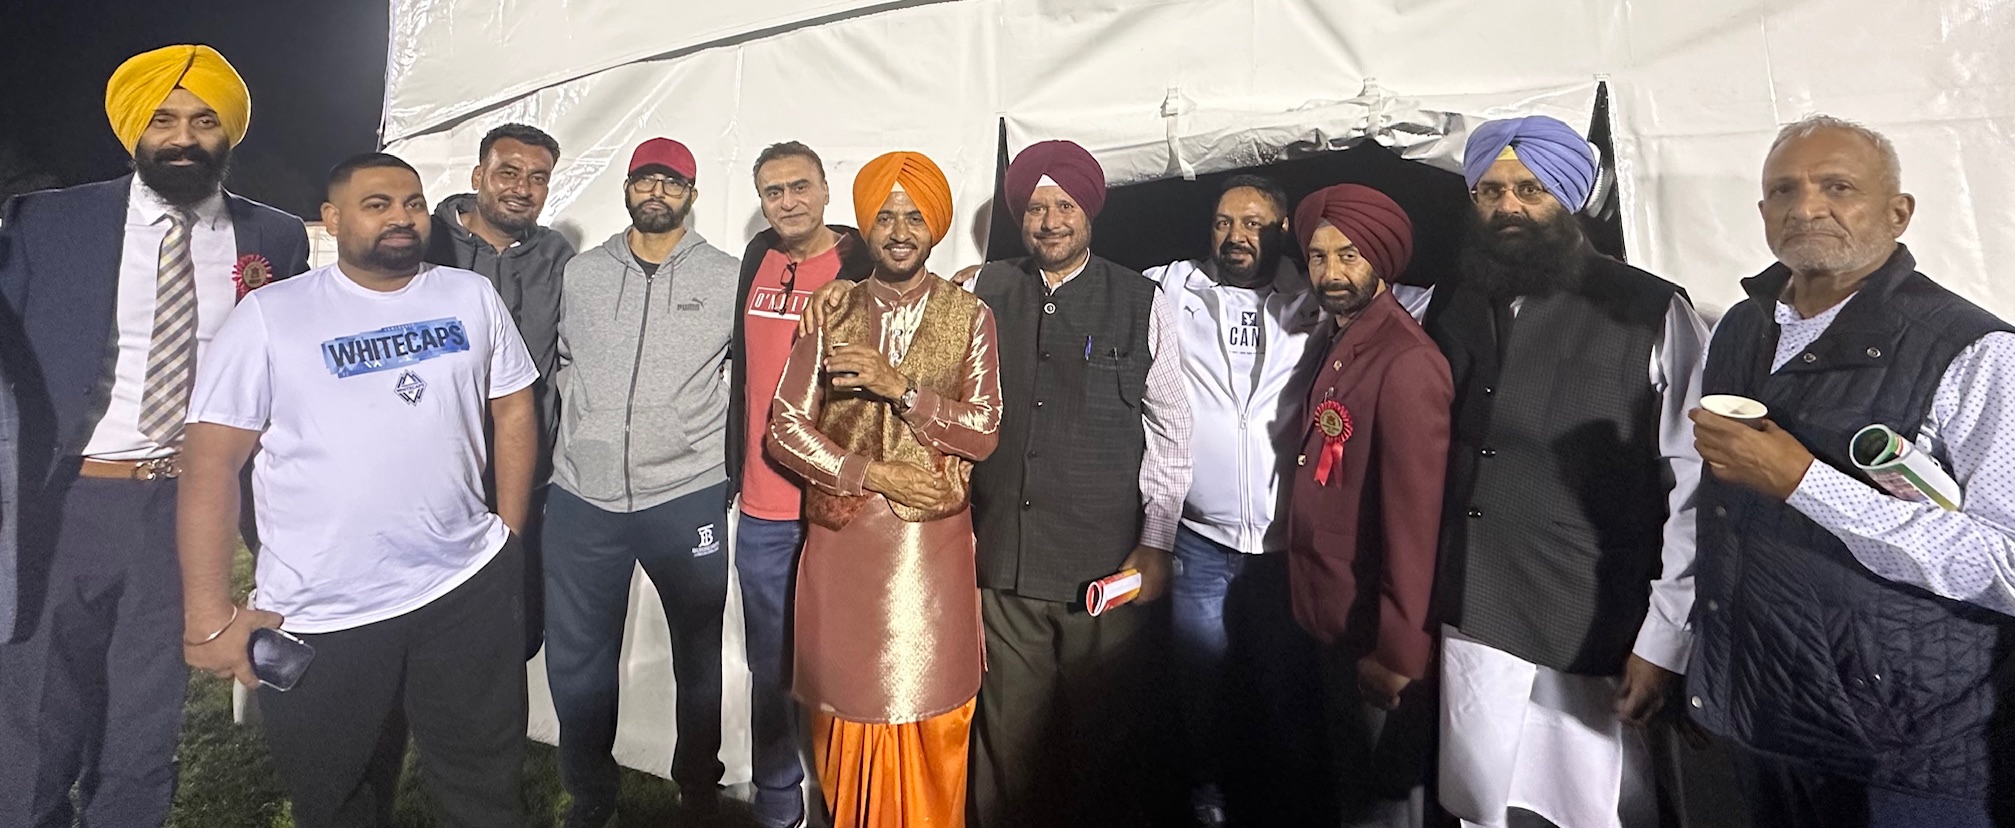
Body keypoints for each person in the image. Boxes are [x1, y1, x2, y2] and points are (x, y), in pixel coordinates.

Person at [178, 152, 536, 828]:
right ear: (333, 219)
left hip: (463, 588)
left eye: (413, 203)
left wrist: (508, 534)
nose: (401, 217)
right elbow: (209, 465)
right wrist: (207, 615)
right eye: (378, 204)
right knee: (337, 799)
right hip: (322, 614)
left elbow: (514, 404)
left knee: (485, 789)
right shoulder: (271, 316)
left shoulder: (469, 295)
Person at [0, 44, 309, 827]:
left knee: (145, 712)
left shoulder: (273, 238)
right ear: (134, 129)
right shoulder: (47, 222)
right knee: (35, 715)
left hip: (183, 507)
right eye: (164, 120)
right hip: (61, 500)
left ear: (228, 133)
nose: (183, 138)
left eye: (204, 121)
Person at [1688, 115, 2015, 828]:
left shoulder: (1976, 353)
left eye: (1837, 186)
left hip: (1906, 750)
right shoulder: (1742, 327)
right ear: (1762, 212)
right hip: (1756, 718)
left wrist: (1806, 481)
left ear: (1898, 213)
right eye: (1784, 190)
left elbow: (2007, 564)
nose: (1806, 207)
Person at [1425, 115, 1708, 828]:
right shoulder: (1452, 301)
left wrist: (1665, 639)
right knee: (1483, 802)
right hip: (1475, 614)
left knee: (1595, 806)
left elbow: (1698, 486)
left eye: (1530, 189)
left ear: (1572, 196)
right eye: (1490, 191)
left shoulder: (1650, 309)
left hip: (1594, 622)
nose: (1508, 207)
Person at [766, 150, 1002, 828]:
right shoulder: (833, 309)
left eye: (915, 217)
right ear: (865, 226)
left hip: (930, 554)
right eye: (885, 217)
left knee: (933, 715)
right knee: (844, 716)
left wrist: (901, 388)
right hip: (843, 547)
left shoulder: (970, 315)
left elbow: (984, 433)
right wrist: (867, 473)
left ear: (935, 227)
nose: (900, 232)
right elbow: (784, 428)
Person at [966, 139, 1192, 828]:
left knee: (1104, 743)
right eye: (1035, 208)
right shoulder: (979, 289)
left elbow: (1173, 430)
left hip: (1105, 564)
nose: (1050, 221)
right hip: (1005, 564)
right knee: (1007, 745)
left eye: (1064, 205)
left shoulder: (1141, 301)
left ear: (1089, 211)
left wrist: (1156, 542)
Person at [543, 137, 738, 827]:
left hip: (685, 492)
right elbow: (561, 358)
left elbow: (747, 370)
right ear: (627, 188)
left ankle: (698, 788)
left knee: (698, 655)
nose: (657, 192)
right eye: (645, 180)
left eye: (672, 182)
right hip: (582, 495)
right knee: (578, 661)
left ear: (691, 195)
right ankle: (591, 796)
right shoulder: (582, 274)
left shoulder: (727, 275)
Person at [1140, 173, 1325, 825]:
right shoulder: (1171, 286)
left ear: (1281, 230)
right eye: (1223, 222)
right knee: (1199, 683)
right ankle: (1206, 798)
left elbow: (1401, 301)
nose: (1235, 236)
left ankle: (1283, 804)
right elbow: (1087, 279)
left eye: (1252, 223)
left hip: (1282, 544)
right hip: (1200, 536)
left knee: (1282, 683)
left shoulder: (1315, 294)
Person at [1284, 184, 1452, 827]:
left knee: (1383, 806)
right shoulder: (1342, 341)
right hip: (1332, 614)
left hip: (1375, 635)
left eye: (1348, 255)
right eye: (1318, 256)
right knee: (1352, 789)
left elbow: (1417, 524)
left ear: (1380, 259)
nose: (1331, 272)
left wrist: (1400, 652)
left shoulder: (1406, 360)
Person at [731, 140, 874, 828]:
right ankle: (778, 803)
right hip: (762, 505)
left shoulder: (861, 260)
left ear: (824, 190)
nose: (787, 202)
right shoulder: (756, 258)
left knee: (842, 664)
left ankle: (846, 800)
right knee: (770, 669)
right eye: (773, 191)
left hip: (836, 506)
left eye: (799, 186)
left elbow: (924, 292)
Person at [425, 122, 577, 657]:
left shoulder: (556, 256)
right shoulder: (425, 243)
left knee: (516, 630)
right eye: (507, 172)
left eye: (538, 178)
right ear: (477, 176)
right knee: (437, 627)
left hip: (525, 475)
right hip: (435, 478)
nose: (522, 188)